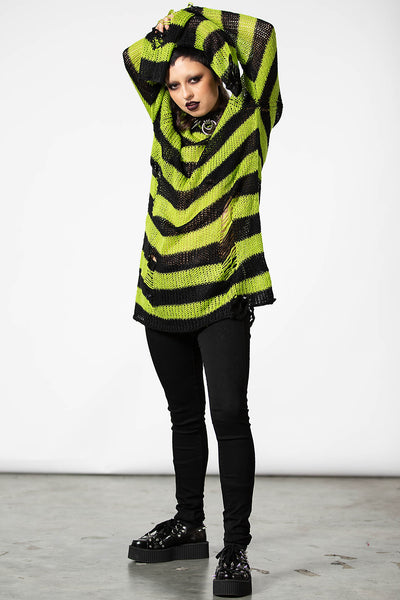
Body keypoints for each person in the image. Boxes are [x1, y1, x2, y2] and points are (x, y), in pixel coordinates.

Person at [122, 4, 283, 597]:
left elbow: (262, 39)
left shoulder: (249, 122)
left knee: (229, 416)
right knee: (184, 417)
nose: (185, 94)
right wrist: (160, 34)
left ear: (218, 74)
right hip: (161, 292)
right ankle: (189, 524)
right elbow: (135, 60)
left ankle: (235, 546)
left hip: (223, 293)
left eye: (195, 79)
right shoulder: (164, 121)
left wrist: (193, 16)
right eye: (175, 84)